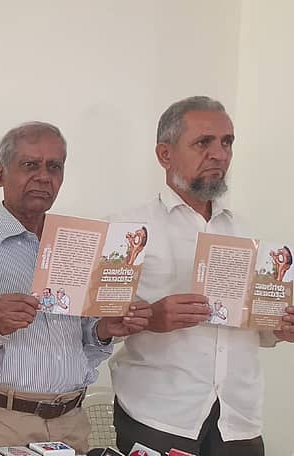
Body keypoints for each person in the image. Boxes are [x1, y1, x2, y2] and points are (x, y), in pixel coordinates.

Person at [0, 122, 151, 454]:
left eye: (54, 167)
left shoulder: (80, 245)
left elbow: (84, 346)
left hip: (70, 422)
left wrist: (104, 330)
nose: (44, 177)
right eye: (30, 165)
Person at [108, 96, 294, 455]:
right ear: (165, 154)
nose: (219, 154)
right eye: (203, 142)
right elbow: (94, 328)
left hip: (238, 421)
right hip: (159, 417)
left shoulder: (245, 232)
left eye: (227, 142)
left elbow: (258, 327)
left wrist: (280, 328)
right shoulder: (125, 229)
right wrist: (150, 319)